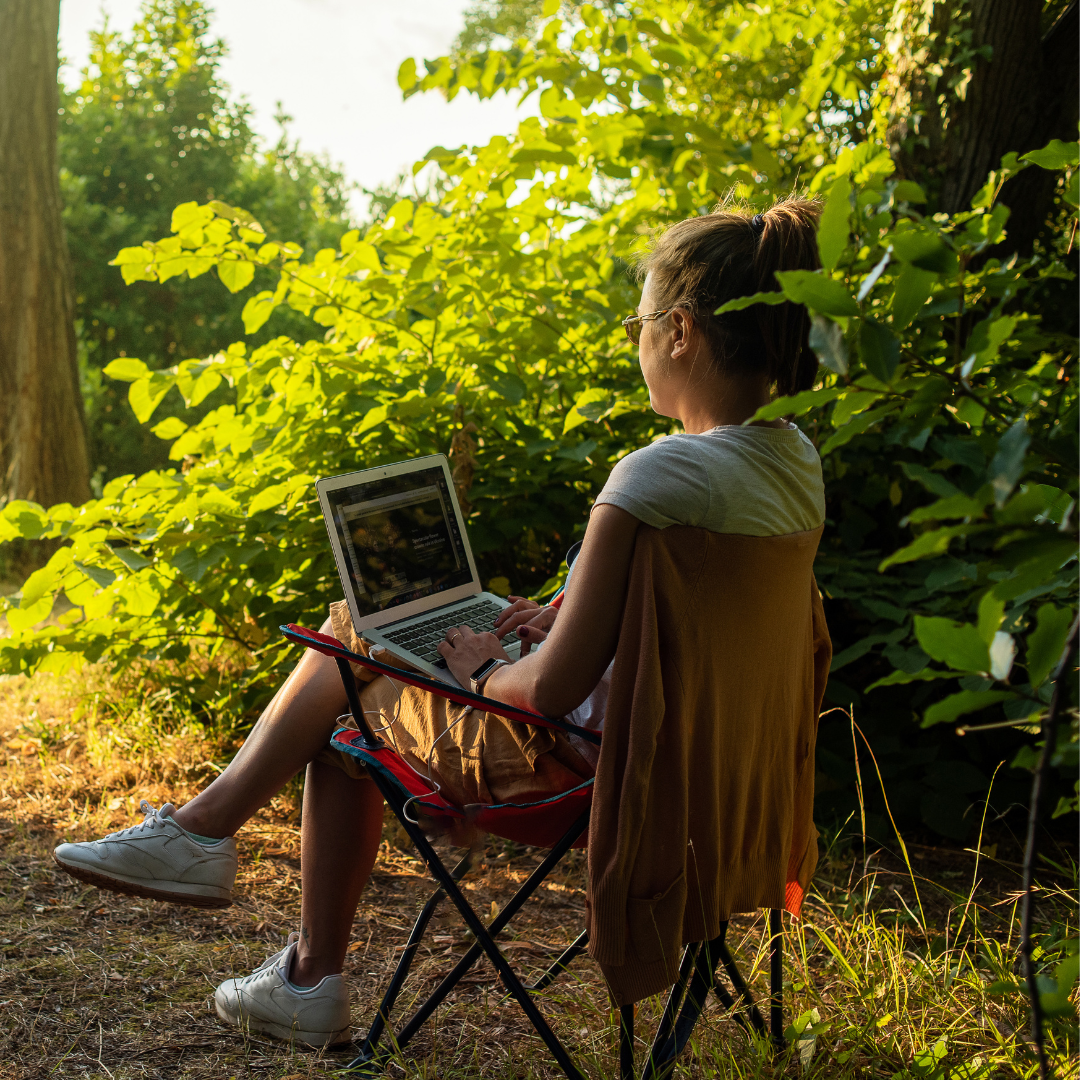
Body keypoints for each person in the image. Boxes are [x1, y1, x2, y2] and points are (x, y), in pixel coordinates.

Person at [52, 197, 827, 1047]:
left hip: (590, 779)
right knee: (366, 649)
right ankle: (232, 880)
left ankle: (237, 881)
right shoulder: (792, 466)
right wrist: (569, 616)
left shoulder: (652, 477)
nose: (636, 339)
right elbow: (695, 627)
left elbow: (548, 690)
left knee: (350, 676)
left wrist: (479, 666)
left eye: (639, 320)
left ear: (679, 330)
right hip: (720, 781)